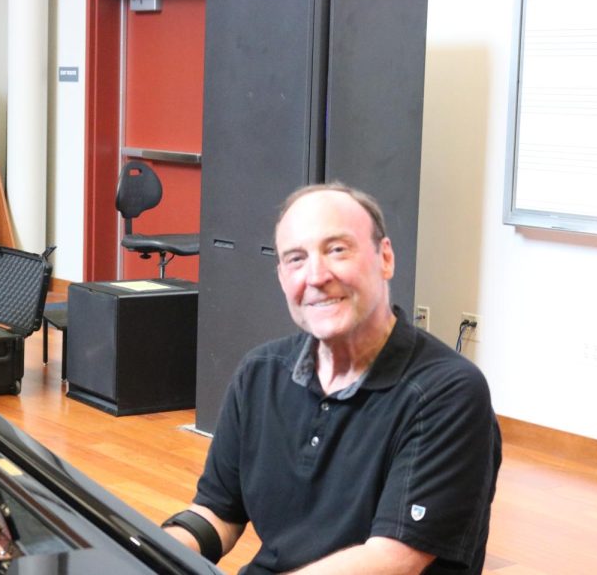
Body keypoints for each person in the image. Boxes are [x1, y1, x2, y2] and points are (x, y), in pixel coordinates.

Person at [161, 183, 501, 574]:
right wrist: (150, 551)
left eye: (337, 250)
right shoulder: (260, 372)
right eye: (295, 259)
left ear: (385, 258)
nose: (316, 275)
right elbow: (216, 512)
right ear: (281, 277)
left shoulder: (448, 393)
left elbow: (393, 561)